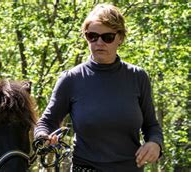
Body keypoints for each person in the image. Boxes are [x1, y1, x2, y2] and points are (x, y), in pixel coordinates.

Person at [34, 4, 163, 171]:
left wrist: (155, 144)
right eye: (92, 36)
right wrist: (43, 137)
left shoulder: (138, 77)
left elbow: (152, 126)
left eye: (107, 37)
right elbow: (46, 122)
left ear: (120, 38)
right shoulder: (71, 79)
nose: (99, 42)